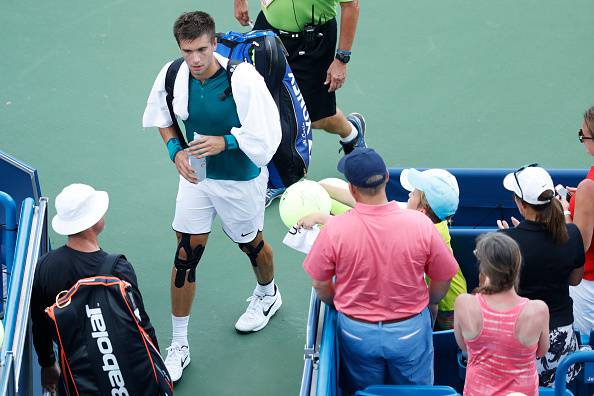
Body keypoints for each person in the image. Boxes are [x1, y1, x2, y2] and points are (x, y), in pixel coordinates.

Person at [142, 11, 283, 382]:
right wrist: (175, 151)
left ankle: (268, 293)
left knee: (252, 245)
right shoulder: (172, 74)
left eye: (202, 49)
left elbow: (268, 138)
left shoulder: (243, 79)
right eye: (187, 51)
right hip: (198, 177)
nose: (195, 59)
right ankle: (179, 345)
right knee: (186, 254)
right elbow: (162, 117)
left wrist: (227, 141)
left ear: (215, 43)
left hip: (240, 180)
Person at [302, 148, 459, 394]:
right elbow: (443, 276)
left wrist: (340, 304)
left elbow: (320, 284)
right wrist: (427, 301)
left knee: (368, 391)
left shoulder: (334, 230)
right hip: (410, 331)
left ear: (353, 190)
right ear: (387, 177)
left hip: (356, 333)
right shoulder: (421, 225)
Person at [233, 0, 366, 205]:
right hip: (268, 33)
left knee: (314, 118)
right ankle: (278, 180)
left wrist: (342, 59)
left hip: (314, 41)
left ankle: (351, 132)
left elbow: (351, 6)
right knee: (264, 105)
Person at [30, 183, 158, 395]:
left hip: (76, 378)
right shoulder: (119, 269)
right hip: (124, 375)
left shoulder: (45, 266)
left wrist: (47, 364)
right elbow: (143, 328)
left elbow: (40, 325)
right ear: (93, 222)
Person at [497, 165, 584, 386]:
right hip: (563, 346)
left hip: (521, 341)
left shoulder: (507, 242)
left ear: (521, 203)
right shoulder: (572, 234)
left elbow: (501, 292)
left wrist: (509, 239)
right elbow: (575, 279)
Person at [454, 232, 550, 396]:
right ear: (517, 265)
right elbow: (541, 352)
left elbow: (464, 346)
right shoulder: (538, 310)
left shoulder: (464, 303)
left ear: (483, 268)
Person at [400, 168, 467, 330]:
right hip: (448, 297)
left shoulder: (422, 236)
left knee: (449, 341)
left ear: (422, 211)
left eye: (414, 194)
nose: (409, 195)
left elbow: (433, 304)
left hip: (449, 308)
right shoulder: (437, 220)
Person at [563, 105, 594, 338]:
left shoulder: (589, 187)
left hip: (588, 289)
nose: (582, 140)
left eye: (582, 135)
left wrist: (565, 211)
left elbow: (579, 246)